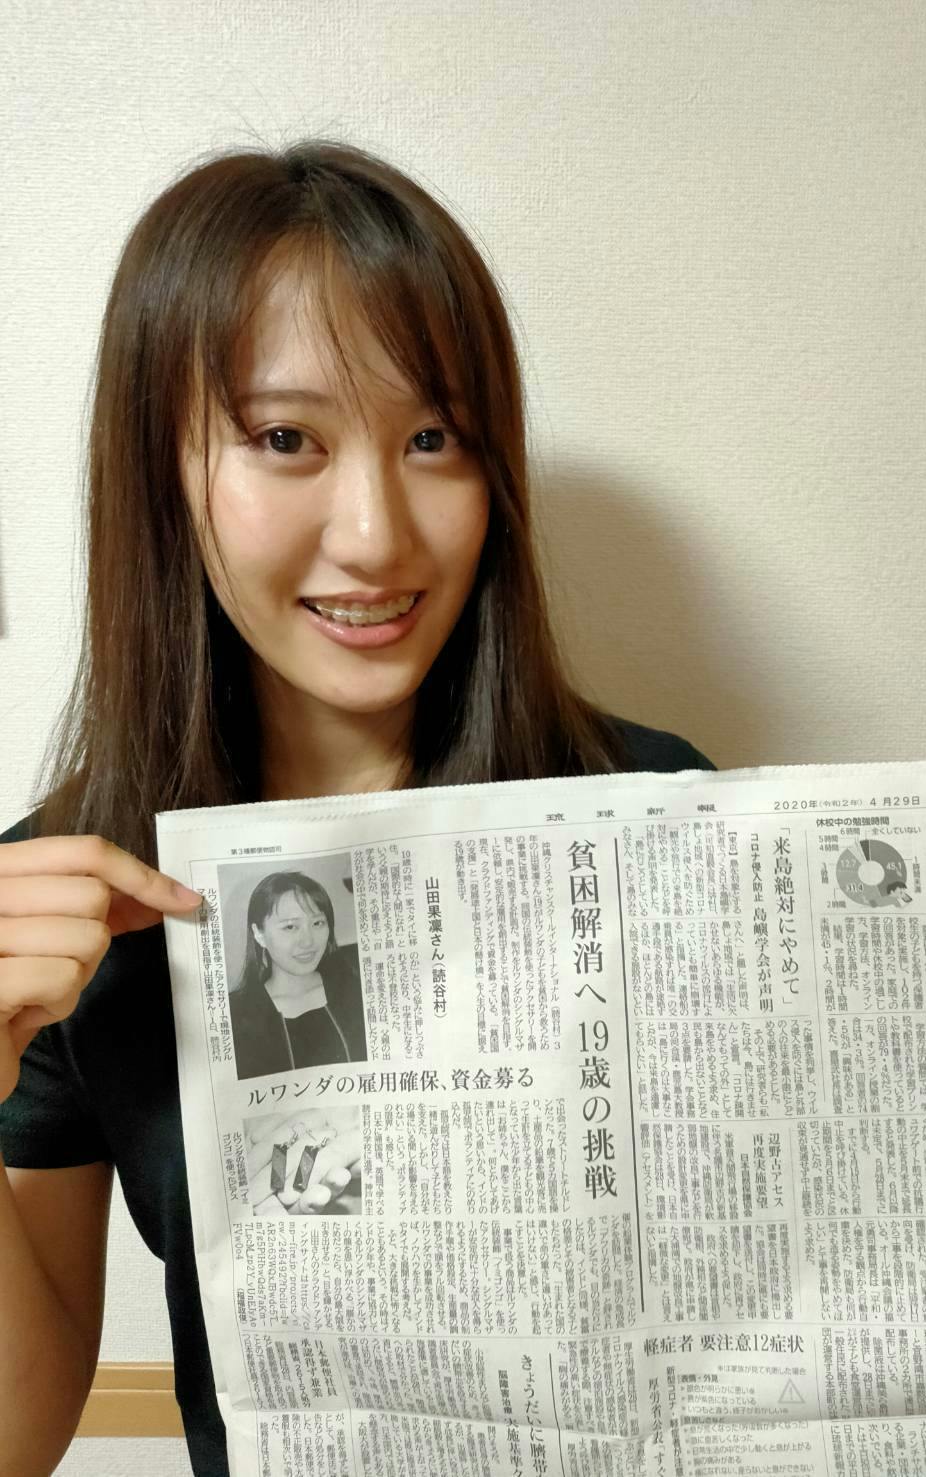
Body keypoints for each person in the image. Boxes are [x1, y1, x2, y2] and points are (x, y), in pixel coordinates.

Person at [0, 138, 721, 1476]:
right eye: (286, 440)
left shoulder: (654, 812)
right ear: (161, 470)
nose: (378, 534)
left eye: (432, 438)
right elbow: (16, 1435)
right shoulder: (65, 895)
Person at [228, 870, 367, 1079]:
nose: (308, 941)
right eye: (290, 927)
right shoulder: (236, 1016)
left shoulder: (356, 989)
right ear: (259, 934)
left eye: (317, 923)